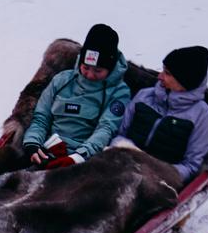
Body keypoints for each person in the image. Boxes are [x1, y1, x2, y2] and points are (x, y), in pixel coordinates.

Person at [21, 24, 132, 164]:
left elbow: (106, 128)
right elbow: (41, 117)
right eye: (86, 67)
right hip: (48, 150)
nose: (90, 75)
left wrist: (77, 157)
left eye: (98, 71)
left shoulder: (118, 92)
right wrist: (33, 144)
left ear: (110, 68)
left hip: (84, 159)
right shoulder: (61, 80)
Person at [112, 46, 208, 184]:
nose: (159, 76)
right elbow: (121, 133)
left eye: (167, 73)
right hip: (121, 165)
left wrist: (158, 173)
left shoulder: (202, 117)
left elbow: (191, 166)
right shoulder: (145, 96)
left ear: (185, 81)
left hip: (159, 182)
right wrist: (120, 146)